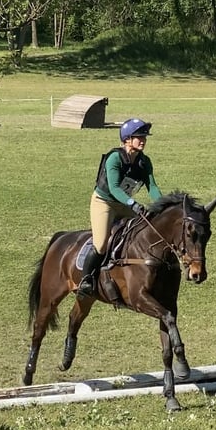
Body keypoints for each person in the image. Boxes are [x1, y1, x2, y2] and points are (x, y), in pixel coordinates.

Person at [76, 117, 163, 298]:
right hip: (104, 202)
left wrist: (162, 206)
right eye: (139, 137)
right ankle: (86, 280)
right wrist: (133, 204)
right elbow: (114, 188)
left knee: (142, 231)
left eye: (145, 137)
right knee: (100, 245)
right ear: (127, 139)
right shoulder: (114, 158)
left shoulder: (144, 161)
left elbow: (152, 187)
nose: (143, 140)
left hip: (123, 203)